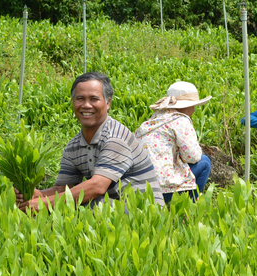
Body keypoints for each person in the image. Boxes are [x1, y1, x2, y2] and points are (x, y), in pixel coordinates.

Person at [15, 72, 164, 212]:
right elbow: (62, 190)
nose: (86, 105)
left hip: (143, 211)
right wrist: (36, 195)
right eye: (80, 99)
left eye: (94, 99)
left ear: (108, 103)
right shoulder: (73, 147)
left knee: (85, 203)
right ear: (73, 102)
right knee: (69, 202)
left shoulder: (115, 138)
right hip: (114, 208)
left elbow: (97, 186)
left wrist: (45, 204)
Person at [136, 81, 212, 204]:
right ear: (184, 106)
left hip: (141, 188)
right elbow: (193, 157)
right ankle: (189, 207)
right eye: (193, 106)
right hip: (165, 188)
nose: (193, 110)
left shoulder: (153, 120)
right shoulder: (180, 120)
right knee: (205, 162)